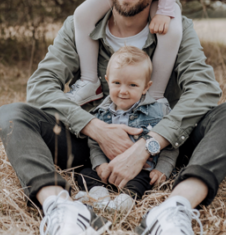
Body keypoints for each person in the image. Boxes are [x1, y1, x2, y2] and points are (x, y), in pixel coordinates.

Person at [0, 0, 226, 235]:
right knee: (12, 115)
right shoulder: (80, 26)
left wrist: (149, 146)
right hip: (89, 143)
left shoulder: (177, 28)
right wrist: (97, 130)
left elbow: (203, 89)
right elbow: (41, 85)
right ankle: (63, 209)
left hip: (162, 144)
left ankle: (174, 210)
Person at [76, 46, 178, 213]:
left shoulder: (158, 111)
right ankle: (99, 195)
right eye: (117, 83)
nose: (123, 91)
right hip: (109, 169)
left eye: (132, 85)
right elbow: (94, 144)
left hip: (140, 169)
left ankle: (124, 202)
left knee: (141, 182)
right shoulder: (100, 113)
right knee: (84, 173)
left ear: (146, 87)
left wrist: (162, 169)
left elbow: (170, 144)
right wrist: (100, 164)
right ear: (108, 80)